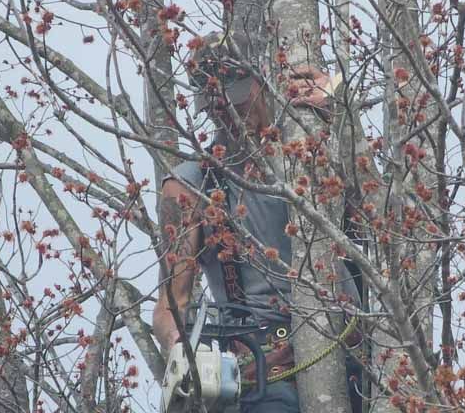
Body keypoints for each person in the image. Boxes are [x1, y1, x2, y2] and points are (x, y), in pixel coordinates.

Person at [152, 33, 362, 413]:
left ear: (262, 80)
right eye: (216, 107)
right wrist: (185, 356)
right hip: (264, 375)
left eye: (237, 100)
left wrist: (341, 114)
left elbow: (380, 225)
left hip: (355, 356)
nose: (227, 114)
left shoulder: (312, 147)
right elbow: (171, 304)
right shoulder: (190, 183)